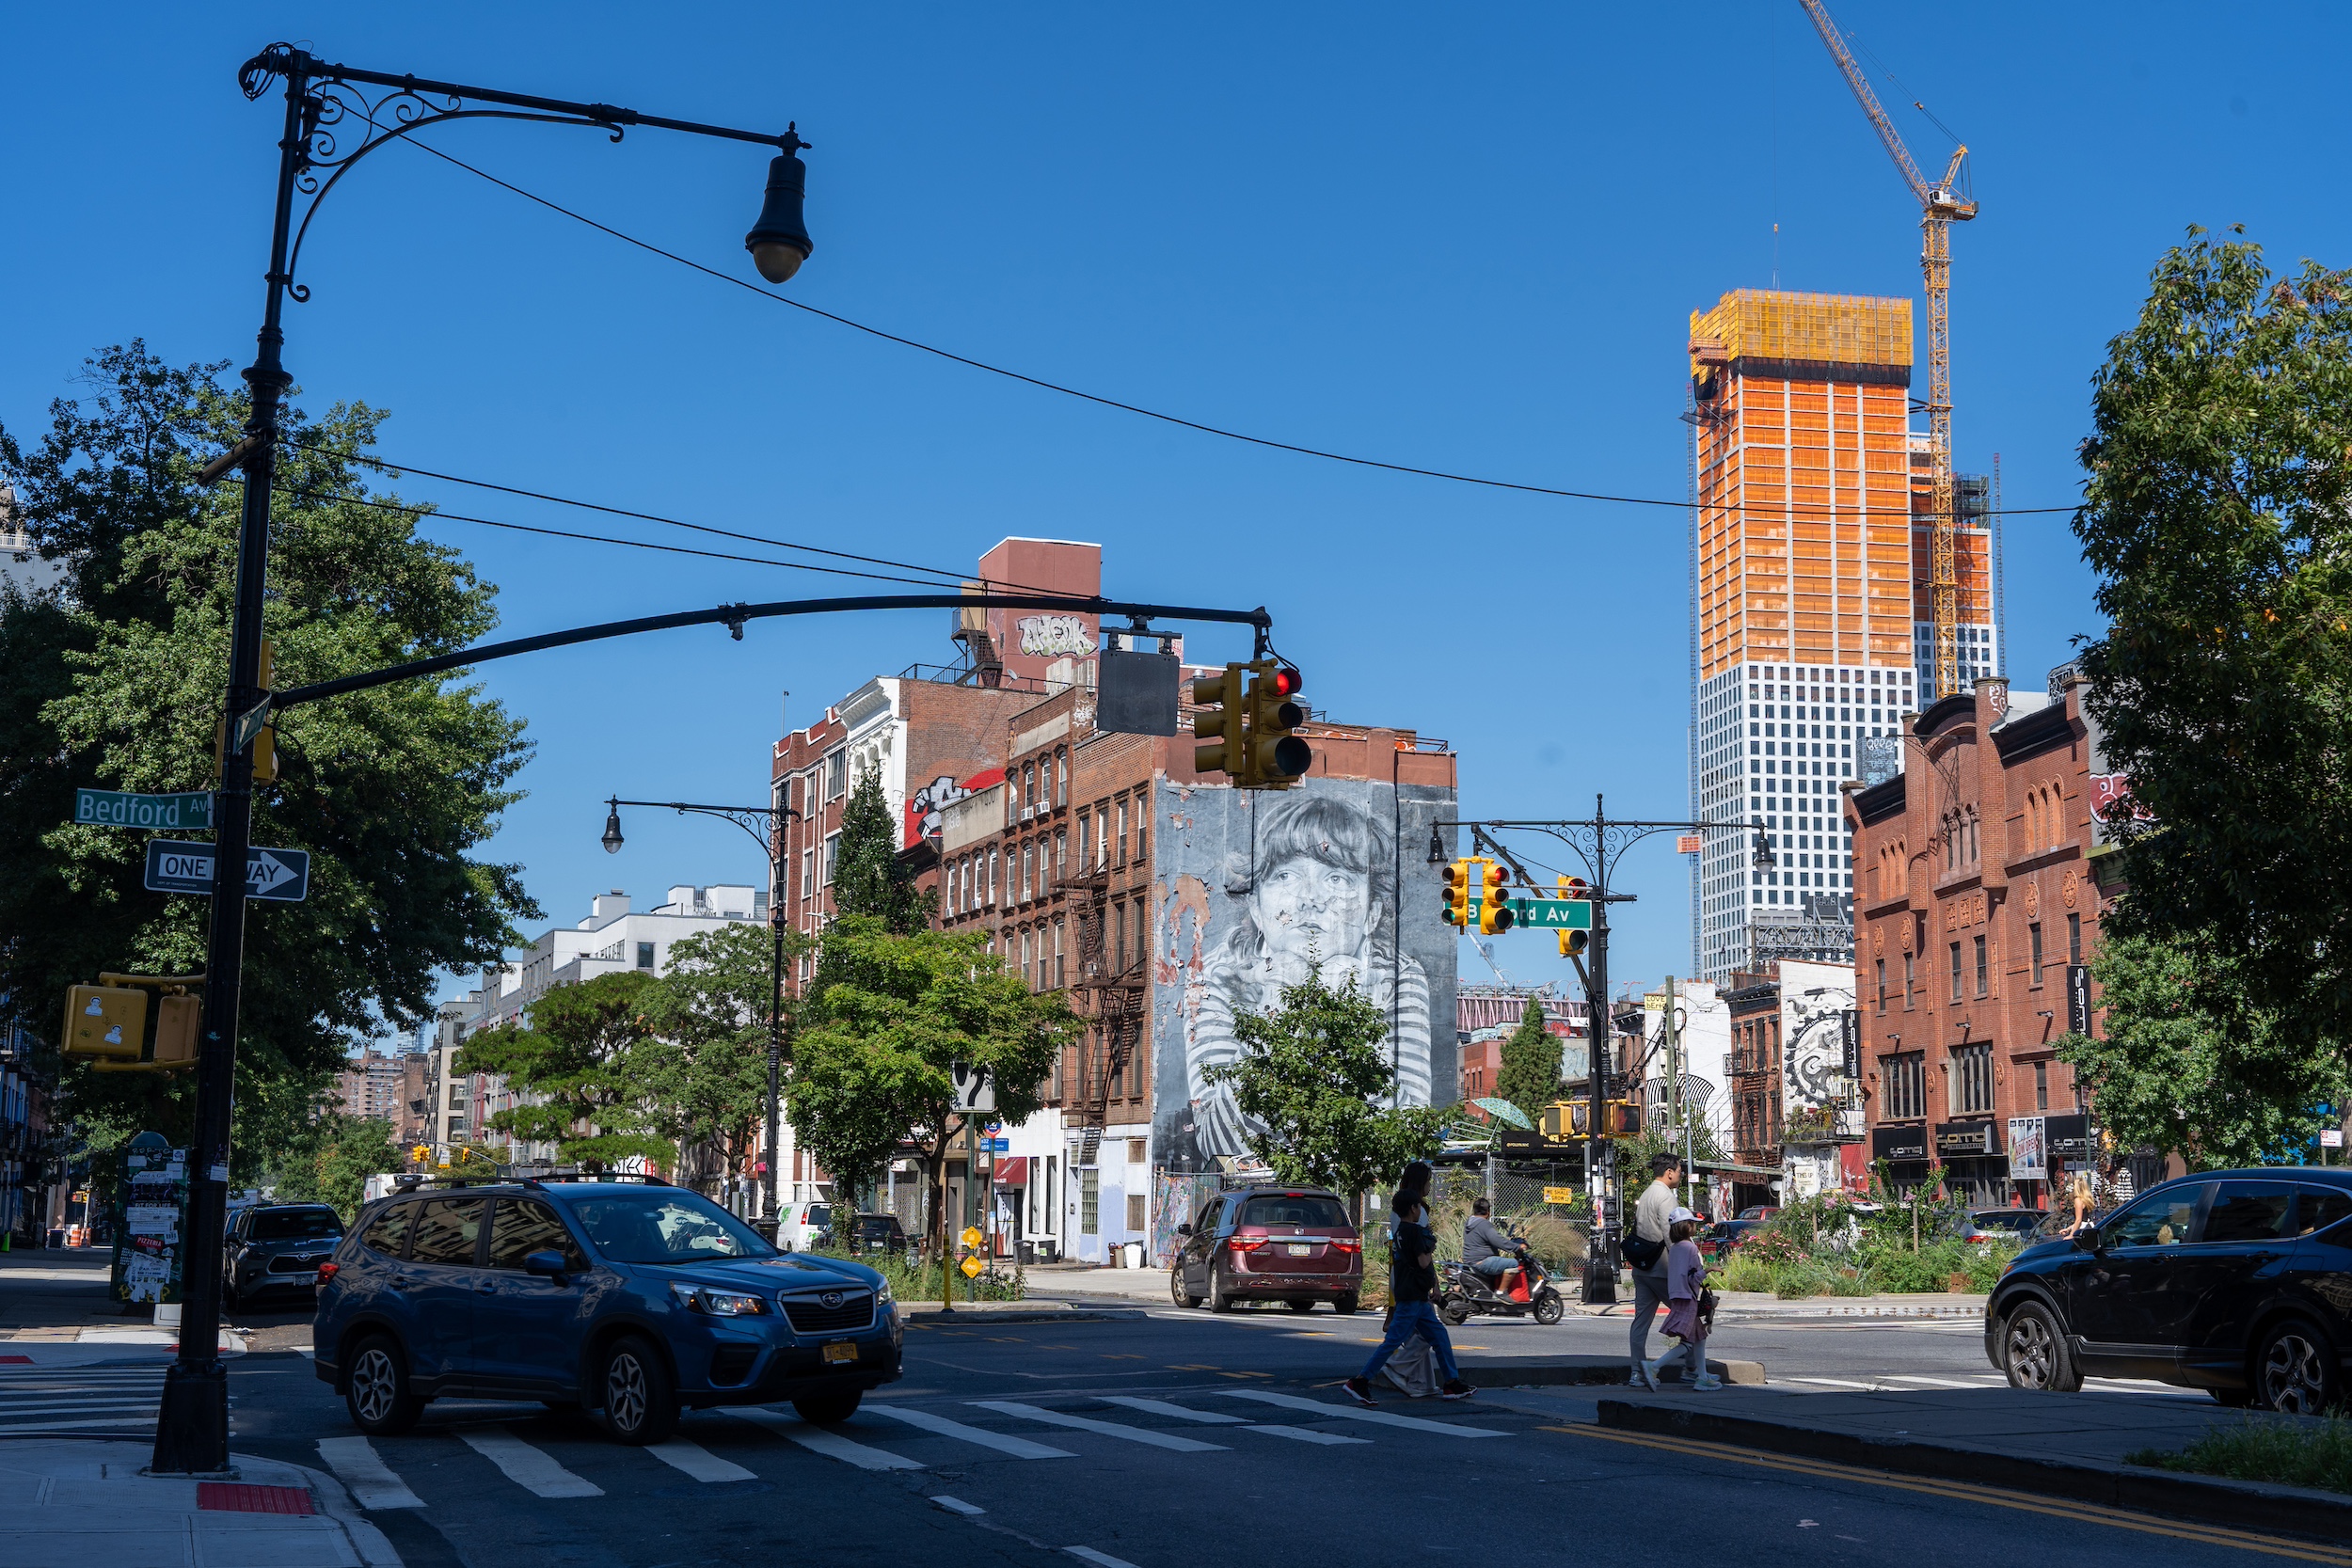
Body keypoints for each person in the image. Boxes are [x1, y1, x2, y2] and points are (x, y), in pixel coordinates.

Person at [1345, 1162, 1472, 1405]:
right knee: (1393, 1341)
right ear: (1414, 1209)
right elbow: (1424, 1261)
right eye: (1417, 1207)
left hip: (1414, 1293)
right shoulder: (1414, 1231)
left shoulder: (1401, 1229)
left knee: (1439, 1336)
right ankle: (1360, 1381)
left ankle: (1451, 1383)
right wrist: (1430, 1248)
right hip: (1413, 1294)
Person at [1652, 1207, 1723, 1391]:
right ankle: (1653, 1366)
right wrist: (1708, 1270)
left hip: (1677, 1294)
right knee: (1687, 1343)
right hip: (1688, 1296)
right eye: (1692, 1224)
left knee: (1700, 1337)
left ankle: (1702, 1375)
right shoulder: (1690, 1248)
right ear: (1687, 1226)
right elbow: (1692, 1277)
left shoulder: (1675, 1248)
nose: (1695, 1227)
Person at [1627, 1152, 1681, 1388]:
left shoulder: (1646, 1193)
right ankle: (1692, 1369)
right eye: (1679, 1171)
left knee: (1641, 1323)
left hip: (1642, 1269)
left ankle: (1636, 1372)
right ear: (1669, 1172)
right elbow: (1671, 1236)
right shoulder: (1666, 1197)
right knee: (1688, 1317)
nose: (1680, 1175)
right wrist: (1684, 1266)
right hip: (1663, 1269)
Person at [1462, 1197, 1518, 1291]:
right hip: (1482, 1261)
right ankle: (1501, 1293)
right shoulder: (1483, 1224)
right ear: (1488, 1212)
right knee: (1513, 1263)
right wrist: (1516, 1247)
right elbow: (1497, 1240)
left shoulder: (1469, 1223)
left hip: (1470, 1260)